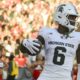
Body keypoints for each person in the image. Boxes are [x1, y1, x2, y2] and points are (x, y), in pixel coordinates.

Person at [19, 2, 80, 80]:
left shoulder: (77, 37)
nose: (74, 20)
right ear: (61, 16)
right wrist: (24, 45)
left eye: (74, 18)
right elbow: (34, 49)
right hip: (46, 77)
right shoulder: (47, 32)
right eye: (71, 17)